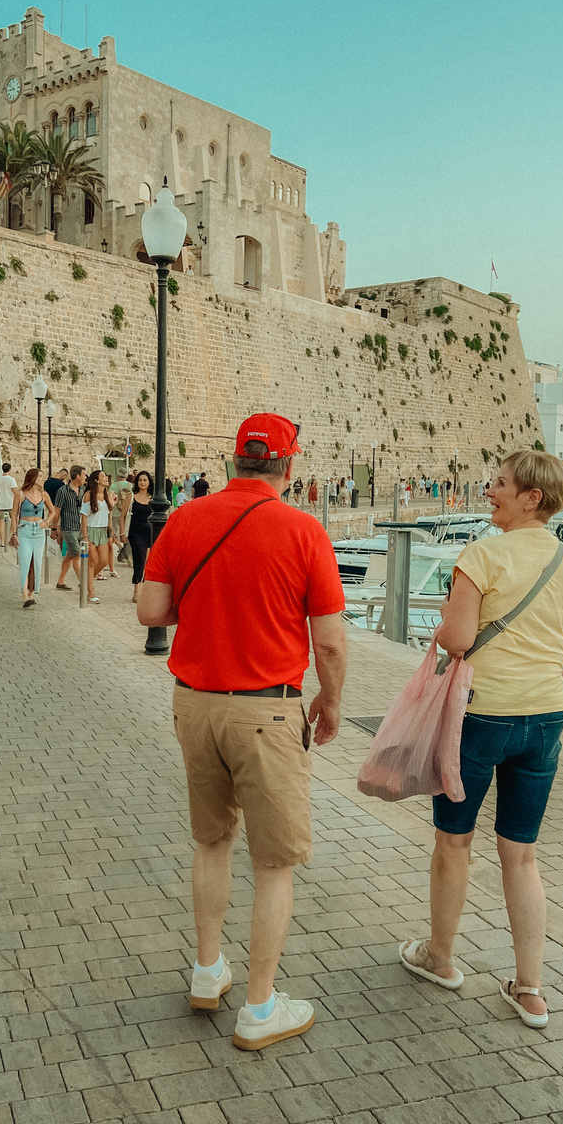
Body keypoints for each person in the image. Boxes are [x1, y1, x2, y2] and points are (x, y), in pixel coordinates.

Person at [405, 451, 563, 1028]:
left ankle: (440, 957)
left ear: (530, 497)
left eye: (500, 484)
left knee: (454, 841)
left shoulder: (482, 554)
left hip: (481, 716)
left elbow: (460, 638)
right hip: (545, 718)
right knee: (521, 853)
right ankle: (531, 988)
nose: (489, 490)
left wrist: (444, 618)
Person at [138, 413, 347, 1050]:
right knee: (275, 861)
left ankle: (207, 972)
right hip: (268, 711)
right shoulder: (305, 530)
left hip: (194, 705)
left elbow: (150, 609)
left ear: (235, 459)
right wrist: (331, 702)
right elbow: (330, 645)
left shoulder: (185, 518)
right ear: (289, 465)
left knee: (211, 842)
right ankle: (260, 1008)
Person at [10, 468, 57, 607]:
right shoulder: (20, 494)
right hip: (24, 528)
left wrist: (46, 522)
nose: (42, 479)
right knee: (25, 561)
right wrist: (14, 533)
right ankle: (24, 594)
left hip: (39, 530)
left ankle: (32, 591)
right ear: (33, 478)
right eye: (40, 476)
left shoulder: (44, 494)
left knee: (35, 562)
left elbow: (53, 512)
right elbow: (14, 515)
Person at [120, 468, 153, 604]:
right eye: (140, 480)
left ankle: (146, 589)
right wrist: (122, 533)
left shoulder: (153, 498)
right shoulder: (131, 496)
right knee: (139, 559)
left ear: (149, 482)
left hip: (150, 533)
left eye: (145, 480)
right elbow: (123, 516)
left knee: (149, 562)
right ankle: (136, 589)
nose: (142, 482)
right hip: (135, 532)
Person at [81, 469, 112, 603]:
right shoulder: (89, 495)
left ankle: (86, 580)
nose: (106, 478)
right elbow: (84, 515)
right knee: (92, 560)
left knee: (104, 560)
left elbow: (108, 513)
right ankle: (90, 592)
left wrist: (110, 531)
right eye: (103, 476)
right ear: (96, 480)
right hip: (91, 530)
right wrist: (85, 536)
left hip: (102, 531)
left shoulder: (106, 495)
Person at [53, 466, 86, 590]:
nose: (85, 478)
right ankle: (84, 584)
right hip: (68, 528)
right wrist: (54, 529)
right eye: (83, 475)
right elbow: (57, 511)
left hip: (80, 527)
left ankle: (60, 581)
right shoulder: (62, 491)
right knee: (76, 555)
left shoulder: (83, 490)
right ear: (77, 476)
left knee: (70, 556)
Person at [0, 462, 18, 544]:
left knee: (1, 523)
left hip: (1, 503)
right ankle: (11, 537)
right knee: (14, 520)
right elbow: (15, 491)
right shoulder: (11, 479)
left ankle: (2, 541)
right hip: (10, 503)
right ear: (10, 470)